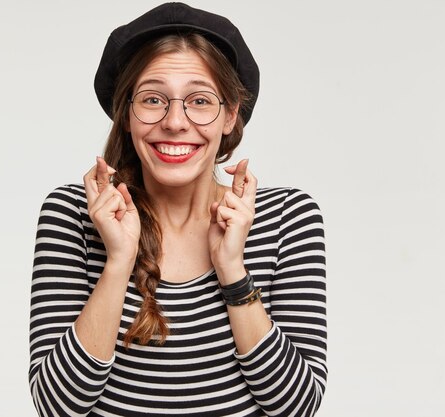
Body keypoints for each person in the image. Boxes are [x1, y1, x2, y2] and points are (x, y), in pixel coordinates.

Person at [29, 3, 327, 416]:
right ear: (126, 115)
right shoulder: (75, 214)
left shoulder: (287, 217)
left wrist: (233, 271)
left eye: (200, 101)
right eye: (153, 99)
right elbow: (58, 405)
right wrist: (118, 261)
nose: (174, 122)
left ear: (230, 116)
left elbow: (296, 406)